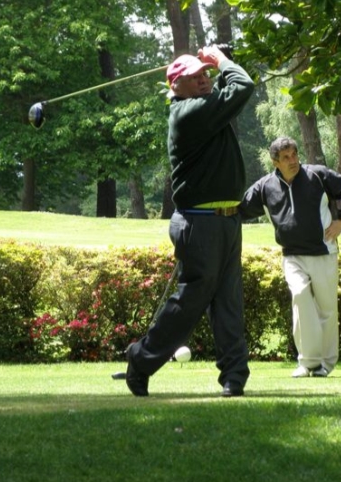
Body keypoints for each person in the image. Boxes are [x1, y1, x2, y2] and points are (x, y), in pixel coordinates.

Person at [123, 45, 255, 397]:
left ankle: (234, 378)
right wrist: (222, 62)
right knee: (191, 302)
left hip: (226, 221)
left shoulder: (207, 107)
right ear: (175, 87)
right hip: (200, 223)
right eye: (193, 77)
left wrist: (220, 61)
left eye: (205, 74)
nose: (202, 80)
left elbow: (233, 89)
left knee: (228, 302)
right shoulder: (189, 113)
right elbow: (242, 86)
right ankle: (142, 359)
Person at [238, 137, 341, 378]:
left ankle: (326, 364)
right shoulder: (265, 186)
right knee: (300, 297)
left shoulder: (318, 175)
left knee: (327, 310)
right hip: (292, 255)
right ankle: (308, 362)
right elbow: (240, 208)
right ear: (275, 162)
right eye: (286, 157)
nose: (293, 160)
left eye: (294, 154)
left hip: (324, 251)